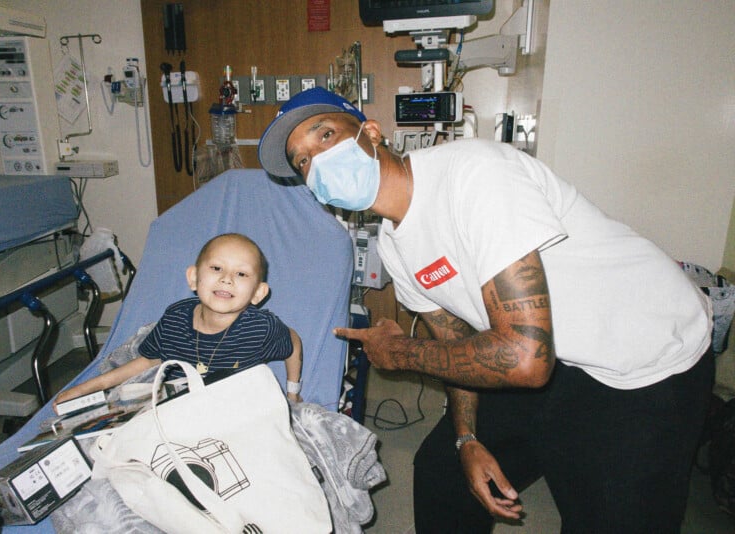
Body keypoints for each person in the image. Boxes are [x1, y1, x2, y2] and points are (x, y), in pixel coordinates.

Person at [257, 87, 714, 532]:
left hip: (650, 357)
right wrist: (467, 438)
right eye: (303, 161)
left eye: (324, 136)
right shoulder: (395, 246)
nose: (317, 162)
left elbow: (523, 359)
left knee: (602, 512)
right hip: (556, 354)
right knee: (444, 471)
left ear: (371, 133)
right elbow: (455, 342)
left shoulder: (475, 176)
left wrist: (399, 354)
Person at [54, 232, 303, 408]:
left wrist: (293, 393)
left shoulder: (260, 329)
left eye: (241, 273)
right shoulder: (175, 320)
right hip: (180, 409)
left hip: (238, 411)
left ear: (258, 293)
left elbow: (293, 342)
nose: (227, 278)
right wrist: (85, 389)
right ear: (193, 278)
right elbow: (148, 361)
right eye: (216, 268)